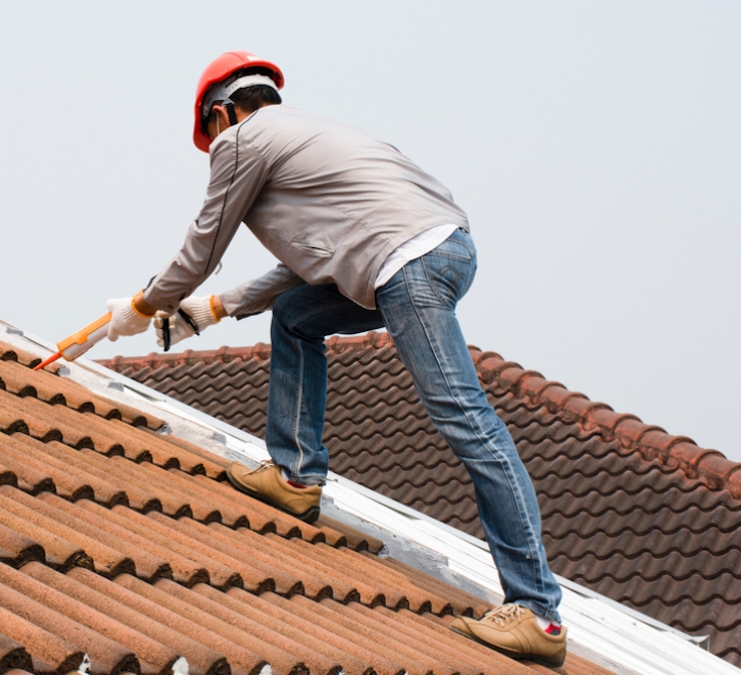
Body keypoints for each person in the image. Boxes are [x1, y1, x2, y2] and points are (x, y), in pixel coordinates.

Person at [103, 51, 567, 668]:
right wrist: (212, 310)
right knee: (297, 316)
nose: (214, 147)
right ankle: (296, 475)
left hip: (405, 265)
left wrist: (144, 303)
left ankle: (537, 610)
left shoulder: (241, 141)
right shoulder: (316, 136)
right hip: (443, 251)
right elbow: (304, 265)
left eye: (211, 133)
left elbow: (204, 245)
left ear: (221, 113)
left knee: (467, 420)